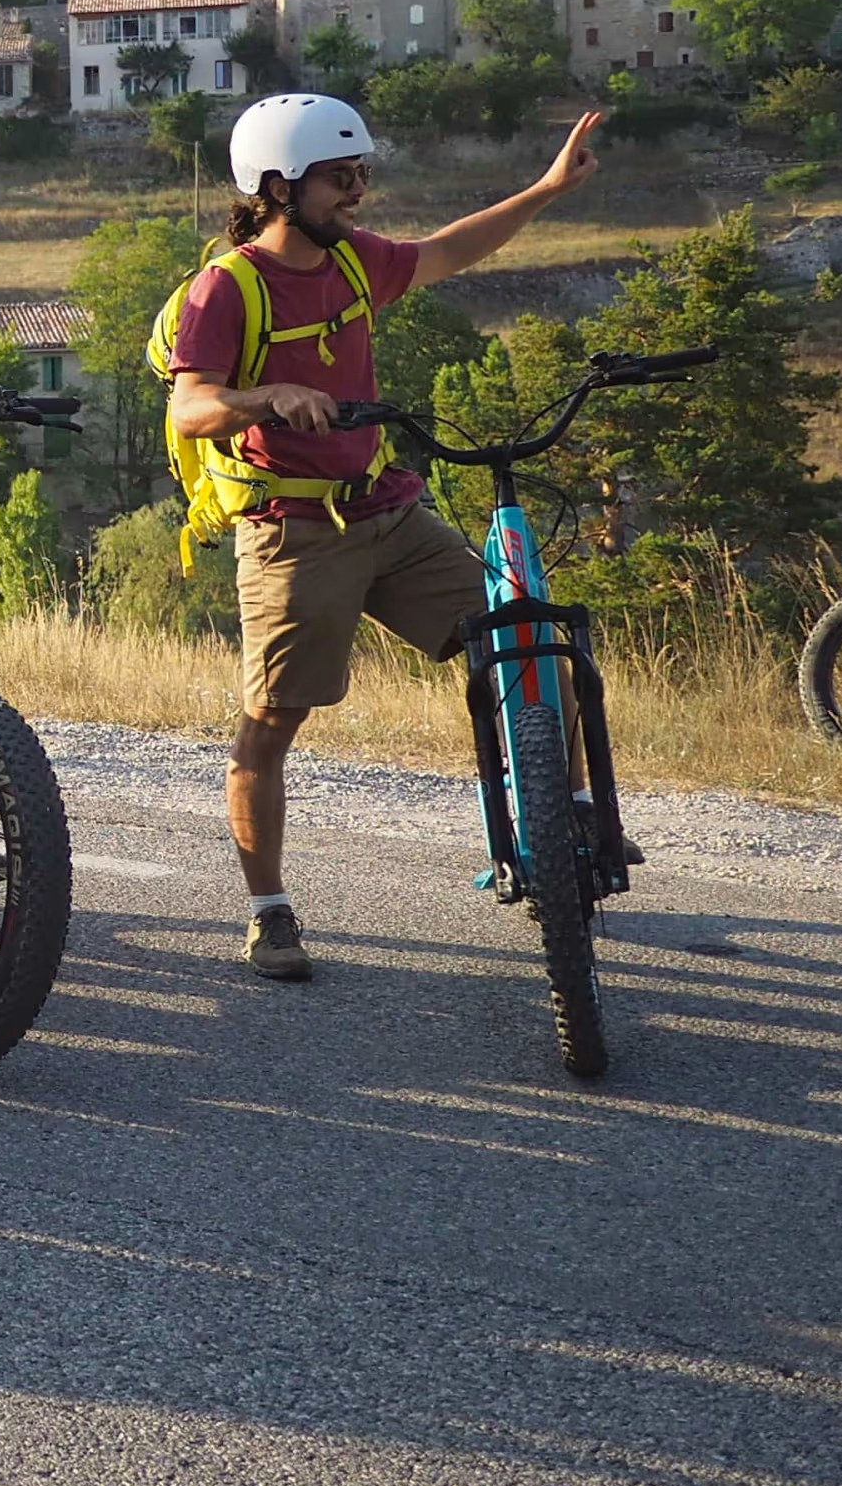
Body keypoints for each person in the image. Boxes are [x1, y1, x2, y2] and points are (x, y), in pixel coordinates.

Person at [160, 90, 604, 982]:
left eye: (362, 173)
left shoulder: (354, 261)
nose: (358, 192)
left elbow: (444, 253)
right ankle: (269, 911)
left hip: (388, 509)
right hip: (293, 532)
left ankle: (568, 833)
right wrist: (265, 398)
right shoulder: (229, 286)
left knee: (530, 642)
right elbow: (191, 403)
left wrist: (549, 187)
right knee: (272, 722)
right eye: (340, 178)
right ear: (278, 187)